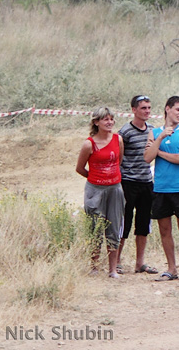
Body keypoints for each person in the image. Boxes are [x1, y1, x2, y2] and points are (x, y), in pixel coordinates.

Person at [144, 95, 179, 282]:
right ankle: (171, 268)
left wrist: (160, 153)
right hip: (161, 188)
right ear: (167, 109)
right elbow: (147, 157)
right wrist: (160, 138)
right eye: (178, 109)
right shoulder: (154, 132)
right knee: (165, 230)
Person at [75, 107, 125, 278]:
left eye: (111, 119)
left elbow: (119, 161)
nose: (109, 122)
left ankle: (112, 269)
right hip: (95, 190)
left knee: (114, 226)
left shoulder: (118, 139)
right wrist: (96, 178)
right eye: (105, 119)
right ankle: (94, 266)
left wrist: (111, 178)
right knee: (95, 227)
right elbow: (80, 168)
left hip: (115, 189)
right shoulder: (89, 144)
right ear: (96, 122)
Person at [113, 95, 158, 275]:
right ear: (133, 110)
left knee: (143, 223)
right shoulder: (124, 132)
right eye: (143, 108)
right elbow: (118, 158)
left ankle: (140, 263)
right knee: (124, 223)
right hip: (127, 182)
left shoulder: (153, 131)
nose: (147, 111)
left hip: (146, 181)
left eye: (148, 107)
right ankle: (116, 261)